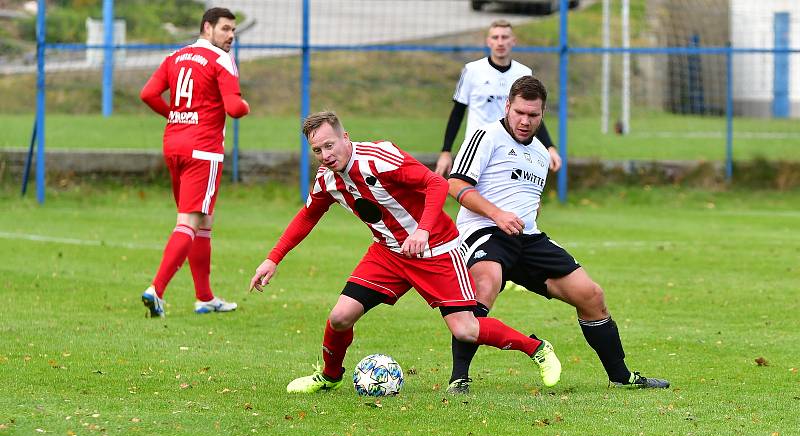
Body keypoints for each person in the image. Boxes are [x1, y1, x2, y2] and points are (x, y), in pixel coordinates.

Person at [249, 111, 562, 394]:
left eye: (329, 145)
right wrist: (272, 258)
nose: (325, 155)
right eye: (317, 150)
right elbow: (306, 217)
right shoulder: (327, 180)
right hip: (388, 253)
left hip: (438, 249)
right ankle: (330, 377)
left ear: (345, 137)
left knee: (466, 329)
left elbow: (436, 184)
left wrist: (422, 230)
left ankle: (536, 348)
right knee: (341, 317)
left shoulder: (379, 157)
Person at [446, 76, 670, 394]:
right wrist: (496, 213)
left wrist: (527, 212)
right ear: (507, 106)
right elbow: (455, 184)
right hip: (486, 231)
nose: (525, 121)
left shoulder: (539, 154)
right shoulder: (486, 135)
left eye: (533, 115)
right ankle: (460, 378)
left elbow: (527, 201)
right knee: (486, 283)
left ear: (542, 114)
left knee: (591, 294)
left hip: (528, 238)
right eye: (519, 112)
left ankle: (621, 376)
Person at [139, 7, 250, 317]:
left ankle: (205, 297)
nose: (231, 36)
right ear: (207, 28)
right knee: (188, 221)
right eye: (225, 29)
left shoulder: (176, 56)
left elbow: (148, 93)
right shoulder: (221, 60)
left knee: (203, 220)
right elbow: (234, 108)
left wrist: (177, 116)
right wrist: (245, 105)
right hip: (203, 150)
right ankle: (156, 290)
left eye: (233, 30)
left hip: (174, 145)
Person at [435, 19, 562, 177]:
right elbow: (457, 112)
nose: (500, 42)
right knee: (470, 195)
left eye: (505, 37)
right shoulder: (471, 70)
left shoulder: (524, 73)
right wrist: (446, 151)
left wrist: (550, 147)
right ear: (488, 41)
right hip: (478, 147)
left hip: (511, 149)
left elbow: (531, 113)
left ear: (513, 41)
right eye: (495, 37)